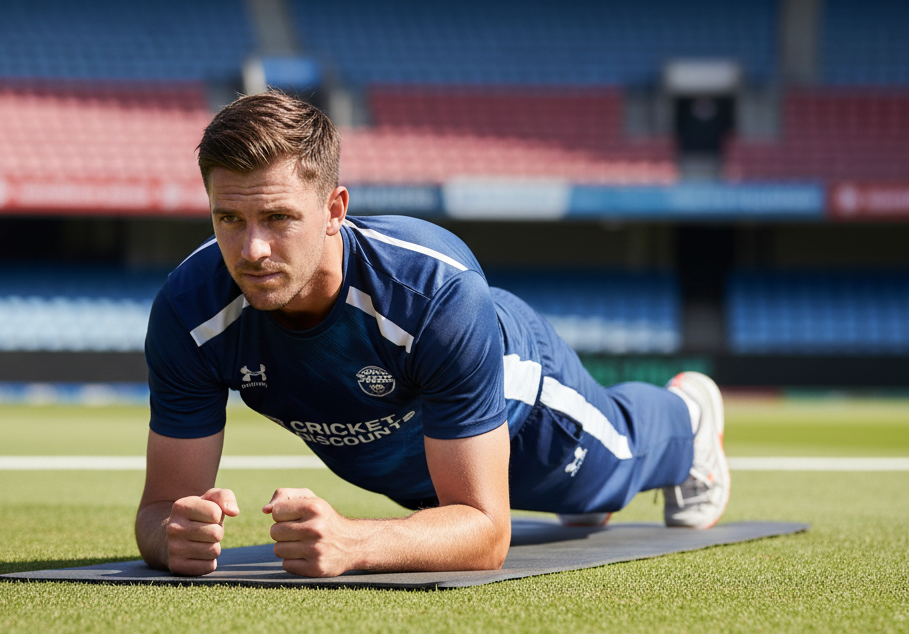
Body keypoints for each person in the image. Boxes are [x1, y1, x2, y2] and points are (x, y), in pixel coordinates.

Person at [135, 92, 730, 578]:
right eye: (229, 219)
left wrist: (353, 542)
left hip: (520, 398)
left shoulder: (433, 294)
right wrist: (174, 535)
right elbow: (159, 510)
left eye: (279, 218)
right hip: (410, 461)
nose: (252, 250)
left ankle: (687, 418)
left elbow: (486, 534)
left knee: (609, 477)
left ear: (335, 210)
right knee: (460, 508)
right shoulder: (189, 311)